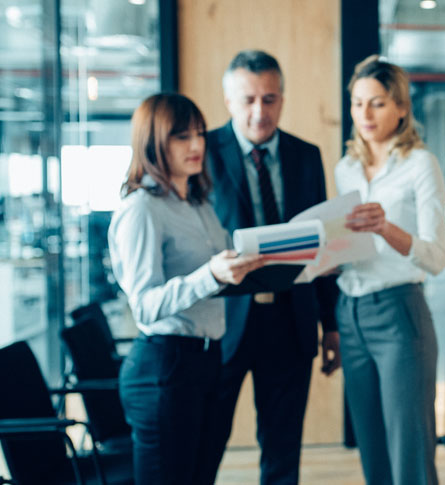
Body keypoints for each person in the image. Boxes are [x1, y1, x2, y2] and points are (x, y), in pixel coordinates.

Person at [199, 50, 341, 485]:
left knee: (282, 451)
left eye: (270, 98)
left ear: (282, 99)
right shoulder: (201, 152)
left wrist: (329, 325)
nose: (259, 112)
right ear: (228, 100)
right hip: (224, 323)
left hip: (290, 319)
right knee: (205, 443)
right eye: (248, 100)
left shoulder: (306, 156)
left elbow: (321, 247)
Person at [109, 93, 265, 485]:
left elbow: (215, 272)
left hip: (207, 361)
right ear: (154, 142)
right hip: (165, 367)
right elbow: (143, 305)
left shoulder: (197, 202)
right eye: (182, 137)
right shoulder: (142, 208)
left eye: (199, 134)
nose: (197, 145)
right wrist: (211, 275)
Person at [334, 55, 445, 485]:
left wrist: (385, 227)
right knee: (373, 452)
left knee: (410, 453)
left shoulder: (421, 164)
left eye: (377, 103)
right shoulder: (344, 169)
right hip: (350, 312)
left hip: (399, 312)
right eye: (357, 103)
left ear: (401, 107)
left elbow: (437, 257)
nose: (364, 114)